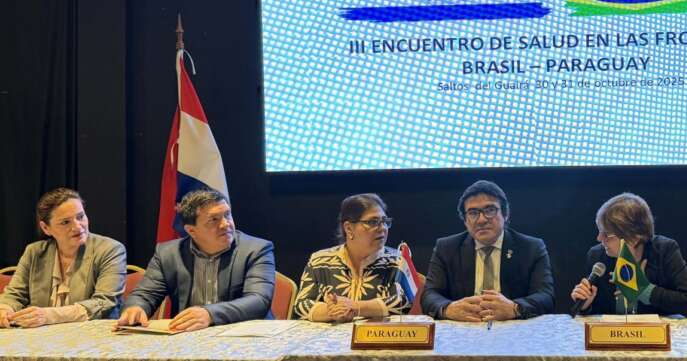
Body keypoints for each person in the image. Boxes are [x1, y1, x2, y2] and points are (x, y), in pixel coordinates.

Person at [117, 189, 275, 332]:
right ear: (191, 230)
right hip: (189, 337)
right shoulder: (168, 254)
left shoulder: (256, 250)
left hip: (244, 336)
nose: (225, 224)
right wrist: (136, 307)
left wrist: (210, 314)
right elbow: (145, 294)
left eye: (227, 215)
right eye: (214, 220)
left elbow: (259, 300)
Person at [421, 180, 555, 321]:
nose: (481, 220)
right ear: (465, 221)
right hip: (465, 327)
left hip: (513, 327)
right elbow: (430, 295)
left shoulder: (531, 248)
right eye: (473, 213)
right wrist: (448, 309)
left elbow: (546, 296)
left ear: (505, 214)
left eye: (490, 210)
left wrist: (515, 308)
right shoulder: (446, 248)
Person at [0, 188, 126, 328]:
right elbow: (14, 295)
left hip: (92, 334)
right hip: (40, 335)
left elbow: (105, 302)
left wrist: (49, 316)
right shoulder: (34, 252)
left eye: (80, 217)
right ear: (46, 228)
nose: (77, 227)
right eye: (66, 222)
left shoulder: (110, 249)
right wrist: (5, 309)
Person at [569, 193, 687, 317]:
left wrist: (645, 291)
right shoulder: (596, 256)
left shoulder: (664, 250)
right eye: (599, 231)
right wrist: (585, 306)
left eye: (607, 234)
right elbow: (597, 313)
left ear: (634, 237)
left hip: (654, 333)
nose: (599, 238)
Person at [292, 193, 410, 321]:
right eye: (373, 222)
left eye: (385, 221)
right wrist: (331, 311)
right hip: (331, 332)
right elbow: (301, 305)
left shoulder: (397, 260)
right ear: (348, 228)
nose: (383, 228)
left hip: (376, 333)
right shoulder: (319, 261)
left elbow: (403, 302)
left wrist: (355, 307)